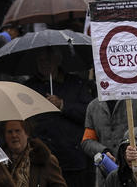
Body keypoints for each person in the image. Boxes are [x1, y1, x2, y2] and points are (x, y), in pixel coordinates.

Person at [26, 48, 93, 187]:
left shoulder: (76, 84)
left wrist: (63, 105)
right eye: (41, 60)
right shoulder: (29, 87)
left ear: (57, 61)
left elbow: (88, 113)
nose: (44, 64)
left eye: (48, 60)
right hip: (42, 159)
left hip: (72, 161)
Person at [82, 98, 137, 187]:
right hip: (105, 176)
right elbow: (87, 141)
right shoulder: (93, 106)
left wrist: (133, 153)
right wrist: (104, 151)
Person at [1, 120, 67, 187]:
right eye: (9, 132)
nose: (14, 135)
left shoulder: (46, 160)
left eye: (17, 131)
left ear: (27, 134)